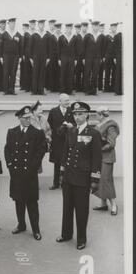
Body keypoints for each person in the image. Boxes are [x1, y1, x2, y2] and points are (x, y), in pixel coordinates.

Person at [56, 102, 102, 250]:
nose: (77, 117)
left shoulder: (93, 133)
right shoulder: (71, 131)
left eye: (80, 114)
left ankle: (81, 239)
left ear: (87, 115)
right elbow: (65, 152)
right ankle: (66, 234)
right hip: (69, 176)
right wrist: (62, 173)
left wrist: (95, 179)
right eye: (75, 114)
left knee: (82, 210)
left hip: (83, 178)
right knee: (67, 207)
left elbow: (96, 158)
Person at [4, 105, 47, 240]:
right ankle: (21, 224)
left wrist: (33, 168)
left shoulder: (37, 133)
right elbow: (8, 150)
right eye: (25, 118)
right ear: (19, 118)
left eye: (30, 117)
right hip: (16, 173)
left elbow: (40, 152)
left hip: (30, 174)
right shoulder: (12, 132)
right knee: (18, 201)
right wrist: (10, 165)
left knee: (32, 202)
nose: (28, 120)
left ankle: (36, 229)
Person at [92, 106, 120, 215]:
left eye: (97, 114)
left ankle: (113, 204)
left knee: (106, 180)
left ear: (101, 115)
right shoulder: (100, 124)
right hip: (100, 157)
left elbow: (111, 144)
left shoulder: (110, 126)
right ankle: (103, 204)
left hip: (107, 157)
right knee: (99, 179)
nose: (95, 116)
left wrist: (99, 149)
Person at [47, 93, 75, 190]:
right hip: (57, 141)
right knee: (57, 163)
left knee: (68, 162)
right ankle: (56, 183)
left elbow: (76, 123)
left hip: (69, 140)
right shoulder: (53, 111)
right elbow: (49, 125)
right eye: (66, 100)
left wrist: (71, 126)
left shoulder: (72, 111)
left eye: (68, 100)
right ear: (60, 101)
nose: (68, 102)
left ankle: (66, 183)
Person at [0, 17, 22, 95]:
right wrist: (1, 57)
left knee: (13, 73)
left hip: (15, 56)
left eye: (14, 23)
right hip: (6, 56)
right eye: (11, 23)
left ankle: (12, 89)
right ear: (8, 24)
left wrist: (20, 57)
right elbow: (1, 46)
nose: (13, 25)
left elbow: (21, 47)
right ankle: (6, 90)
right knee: (6, 72)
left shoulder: (18, 34)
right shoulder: (4, 34)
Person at [29, 19, 50, 95]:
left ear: (44, 25)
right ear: (38, 25)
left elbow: (49, 47)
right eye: (40, 24)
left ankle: (41, 90)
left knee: (42, 74)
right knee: (35, 73)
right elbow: (30, 47)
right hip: (35, 57)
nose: (41, 26)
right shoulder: (34, 35)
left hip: (44, 57)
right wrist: (31, 58)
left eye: (42, 24)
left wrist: (48, 58)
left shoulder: (47, 35)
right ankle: (34, 90)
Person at [83, 21, 105, 96]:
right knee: (87, 73)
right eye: (94, 26)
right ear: (92, 27)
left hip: (97, 58)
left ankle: (94, 90)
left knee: (95, 74)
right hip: (88, 57)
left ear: (98, 27)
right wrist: (83, 58)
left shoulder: (101, 36)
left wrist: (101, 57)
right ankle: (87, 90)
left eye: (97, 26)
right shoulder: (88, 36)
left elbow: (103, 48)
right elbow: (84, 47)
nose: (95, 28)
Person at [30, 100, 51, 173]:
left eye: (41, 109)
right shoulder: (29, 119)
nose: (41, 111)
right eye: (39, 110)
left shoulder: (43, 118)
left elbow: (48, 130)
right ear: (34, 111)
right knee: (32, 165)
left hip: (41, 146)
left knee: (37, 164)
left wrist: (48, 137)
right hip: (31, 146)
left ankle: (34, 181)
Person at [58, 24, 77, 94]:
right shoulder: (61, 37)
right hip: (63, 58)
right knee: (63, 74)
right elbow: (58, 49)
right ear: (65, 29)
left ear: (71, 29)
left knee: (70, 74)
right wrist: (59, 59)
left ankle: (69, 90)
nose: (69, 30)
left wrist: (76, 59)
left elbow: (76, 49)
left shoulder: (75, 37)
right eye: (67, 28)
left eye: (70, 28)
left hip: (72, 58)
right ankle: (62, 90)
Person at [46, 23, 61, 93]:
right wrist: (49, 57)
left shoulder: (62, 36)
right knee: (52, 71)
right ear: (55, 28)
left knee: (59, 71)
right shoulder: (52, 36)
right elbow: (49, 47)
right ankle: (52, 87)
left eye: (59, 28)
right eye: (57, 28)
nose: (58, 29)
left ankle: (58, 87)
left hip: (59, 56)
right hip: (52, 56)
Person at [103, 23, 116, 92]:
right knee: (107, 72)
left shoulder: (117, 36)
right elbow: (104, 47)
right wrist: (104, 56)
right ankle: (106, 87)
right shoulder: (107, 37)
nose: (114, 29)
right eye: (113, 27)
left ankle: (113, 87)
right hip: (107, 56)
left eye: (115, 27)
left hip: (114, 58)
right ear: (110, 28)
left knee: (114, 72)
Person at [112, 23, 122, 95]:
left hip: (125, 56)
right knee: (118, 72)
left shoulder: (127, 35)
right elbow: (114, 48)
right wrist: (114, 57)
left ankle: (123, 90)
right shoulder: (116, 36)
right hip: (118, 56)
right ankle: (117, 91)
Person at [74, 23, 85, 92]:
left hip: (83, 57)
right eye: (76, 29)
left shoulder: (82, 36)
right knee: (77, 72)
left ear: (80, 29)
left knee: (84, 72)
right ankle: (77, 87)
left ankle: (83, 87)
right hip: (77, 57)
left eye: (79, 29)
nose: (78, 30)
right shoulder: (75, 37)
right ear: (75, 29)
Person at [97, 23, 106, 91]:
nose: (102, 29)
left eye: (103, 28)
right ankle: (97, 86)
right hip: (97, 56)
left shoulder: (104, 36)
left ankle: (100, 86)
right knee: (95, 71)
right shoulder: (98, 36)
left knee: (100, 71)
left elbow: (104, 48)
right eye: (101, 28)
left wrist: (103, 57)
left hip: (101, 57)